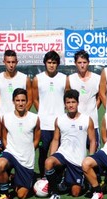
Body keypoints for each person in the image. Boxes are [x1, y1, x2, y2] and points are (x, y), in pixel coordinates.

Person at [43, 89, 96, 199]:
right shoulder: (60, 120)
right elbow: (56, 140)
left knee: (75, 193)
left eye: (73, 102)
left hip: (77, 160)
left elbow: (92, 141)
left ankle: (73, 181)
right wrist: (52, 157)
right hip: (63, 154)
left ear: (77, 103)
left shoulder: (87, 120)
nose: (71, 105)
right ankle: (55, 193)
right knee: (48, 162)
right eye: (68, 102)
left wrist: (90, 159)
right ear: (64, 104)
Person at [0, 88, 40, 199]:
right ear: (13, 101)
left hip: (26, 159)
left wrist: (29, 150)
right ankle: (4, 194)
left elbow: (37, 138)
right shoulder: (6, 117)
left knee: (22, 195)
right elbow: (4, 137)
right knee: (0, 163)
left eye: (23, 100)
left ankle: (14, 178)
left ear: (27, 101)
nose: (20, 103)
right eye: (17, 100)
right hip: (11, 153)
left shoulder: (34, 118)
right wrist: (8, 148)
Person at [32, 50, 70, 178]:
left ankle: (59, 177)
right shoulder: (38, 79)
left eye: (54, 63)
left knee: (59, 153)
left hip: (59, 124)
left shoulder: (64, 79)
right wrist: (42, 111)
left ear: (58, 64)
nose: (51, 65)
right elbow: (34, 99)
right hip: (43, 124)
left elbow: (68, 98)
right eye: (49, 62)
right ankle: (43, 177)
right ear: (45, 63)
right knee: (43, 153)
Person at [69, 50, 100, 151]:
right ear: (75, 64)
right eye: (79, 62)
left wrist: (93, 107)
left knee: (93, 154)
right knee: (75, 152)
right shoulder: (70, 79)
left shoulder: (97, 78)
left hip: (93, 122)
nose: (82, 65)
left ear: (88, 63)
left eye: (84, 62)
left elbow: (100, 97)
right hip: (76, 123)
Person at [0, 50, 32, 118]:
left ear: (17, 62)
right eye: (8, 62)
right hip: (3, 118)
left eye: (13, 62)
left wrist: (21, 114)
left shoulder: (25, 78)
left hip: (20, 118)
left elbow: (30, 100)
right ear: (4, 62)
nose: (11, 65)